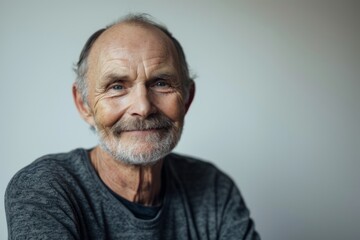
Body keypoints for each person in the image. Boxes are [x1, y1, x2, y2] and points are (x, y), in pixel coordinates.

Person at [5, 14, 260, 239]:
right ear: (84, 104)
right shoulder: (44, 189)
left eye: (161, 83)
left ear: (187, 100)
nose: (143, 107)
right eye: (117, 86)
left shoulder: (213, 187)